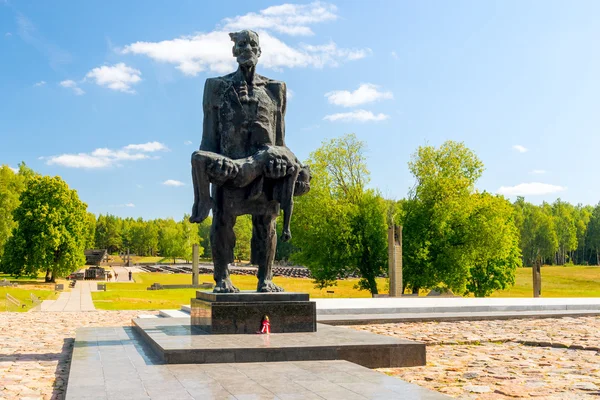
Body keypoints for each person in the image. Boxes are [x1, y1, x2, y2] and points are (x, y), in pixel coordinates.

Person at [190, 30, 310, 293]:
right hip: (230, 169)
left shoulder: (275, 89)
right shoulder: (216, 87)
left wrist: (295, 169)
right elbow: (208, 139)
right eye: (241, 44)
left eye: (251, 44)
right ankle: (222, 277)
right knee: (222, 219)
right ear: (234, 51)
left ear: (259, 50)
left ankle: (266, 278)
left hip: (265, 171)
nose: (246, 48)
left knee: (267, 222)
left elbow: (280, 141)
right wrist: (214, 166)